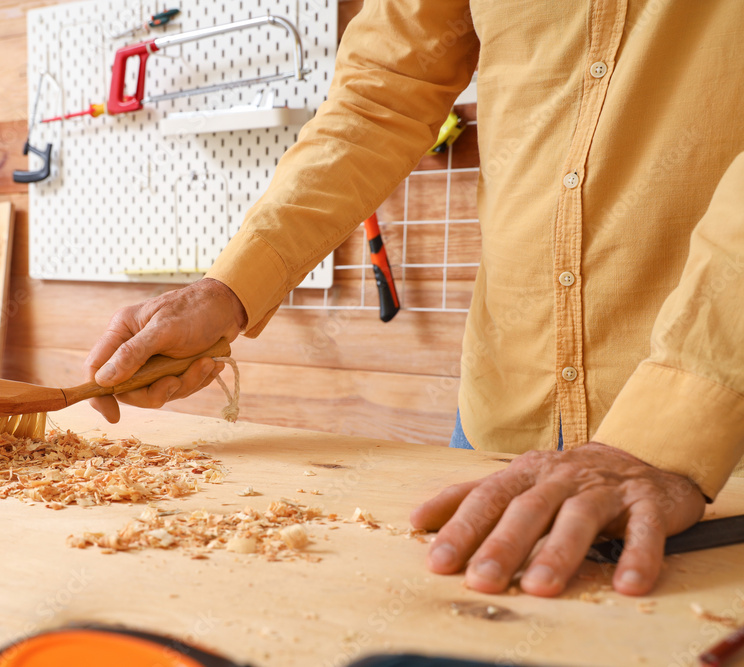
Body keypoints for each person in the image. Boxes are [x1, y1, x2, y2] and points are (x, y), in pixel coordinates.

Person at [84, 1, 744, 597]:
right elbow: (381, 97)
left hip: (714, 451)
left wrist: (675, 422)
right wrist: (229, 290)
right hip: (507, 411)